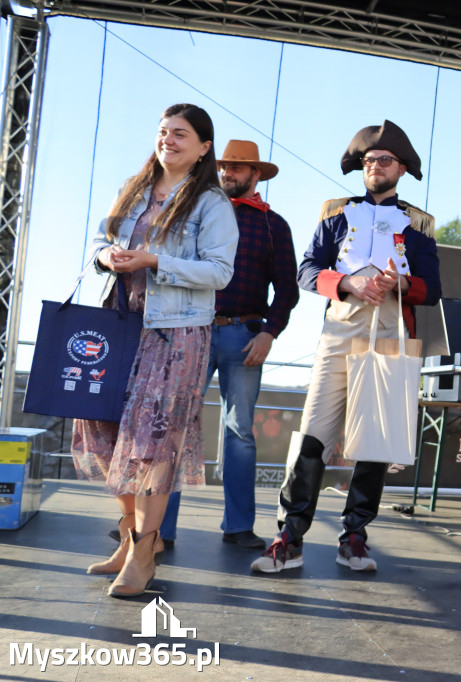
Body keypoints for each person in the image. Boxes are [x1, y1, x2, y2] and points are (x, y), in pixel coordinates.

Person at [251, 120, 441, 574]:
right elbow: (307, 271)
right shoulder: (334, 213)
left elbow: (432, 288)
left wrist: (403, 283)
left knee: (374, 436)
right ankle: (289, 537)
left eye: (385, 161)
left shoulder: (420, 223)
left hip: (392, 327)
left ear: (402, 168)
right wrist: (348, 281)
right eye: (370, 161)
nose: (376, 167)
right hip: (340, 327)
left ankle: (355, 536)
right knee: (313, 430)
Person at [71, 103, 237, 598]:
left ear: (204, 147)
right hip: (120, 325)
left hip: (177, 335)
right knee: (102, 429)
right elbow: (98, 243)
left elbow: (219, 273)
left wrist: (155, 260)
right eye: (163, 131)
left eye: (180, 134)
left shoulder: (212, 204)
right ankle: (128, 538)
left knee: (152, 445)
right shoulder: (134, 188)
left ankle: (145, 553)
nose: (169, 139)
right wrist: (106, 256)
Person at [159, 140, 300, 550]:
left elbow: (287, 291)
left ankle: (238, 527)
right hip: (191, 330)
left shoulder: (274, 225)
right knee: (174, 427)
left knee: (240, 433)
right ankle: (156, 529)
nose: (228, 174)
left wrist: (268, 334)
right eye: (224, 167)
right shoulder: (196, 212)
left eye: (238, 168)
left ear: (257, 174)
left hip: (245, 335)